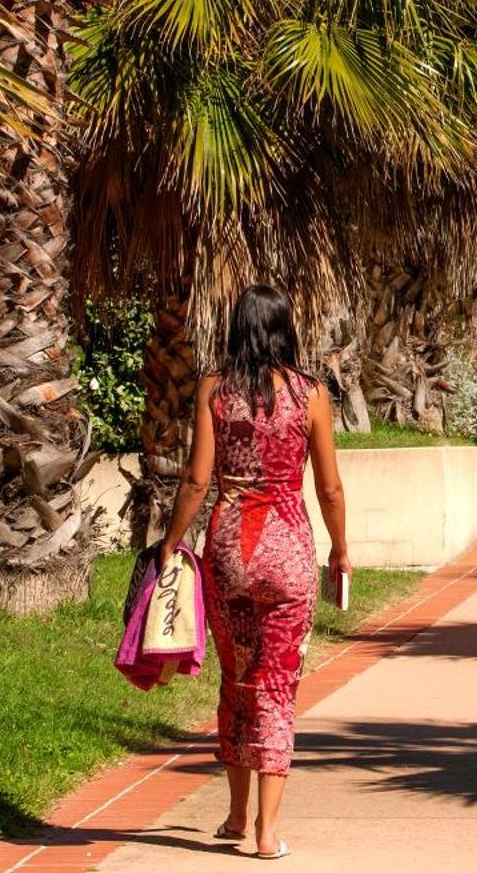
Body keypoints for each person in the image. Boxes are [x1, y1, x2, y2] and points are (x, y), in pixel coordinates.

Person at [154, 283, 350, 861]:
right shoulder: (310, 394)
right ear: (285, 328)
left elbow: (195, 481)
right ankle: (267, 833)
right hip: (288, 548)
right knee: (278, 684)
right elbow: (330, 486)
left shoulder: (213, 390)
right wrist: (340, 549)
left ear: (237, 327)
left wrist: (169, 544)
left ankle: (236, 815)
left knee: (237, 677)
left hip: (230, 549)